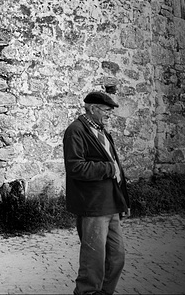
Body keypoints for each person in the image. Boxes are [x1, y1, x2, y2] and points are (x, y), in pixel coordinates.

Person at [63, 91, 130, 295]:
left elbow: (116, 168)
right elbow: (75, 167)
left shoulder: (101, 130)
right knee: (93, 262)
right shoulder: (76, 131)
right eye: (106, 111)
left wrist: (124, 202)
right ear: (92, 109)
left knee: (117, 257)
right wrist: (108, 168)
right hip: (93, 206)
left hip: (111, 205)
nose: (109, 115)